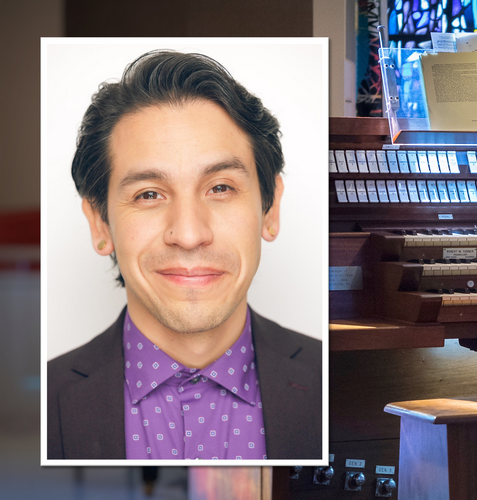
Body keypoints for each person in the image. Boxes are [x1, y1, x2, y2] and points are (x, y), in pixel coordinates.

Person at [47, 51, 321, 460]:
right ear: (100, 224)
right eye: (149, 194)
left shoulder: (337, 381)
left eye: (221, 188)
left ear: (271, 208)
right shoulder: (34, 406)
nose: (190, 235)